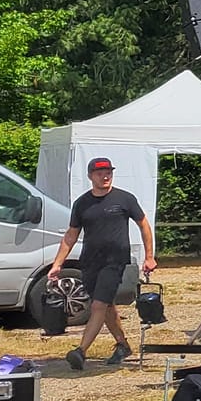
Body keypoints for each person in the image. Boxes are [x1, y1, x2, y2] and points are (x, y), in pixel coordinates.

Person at [47, 157, 157, 370]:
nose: (105, 177)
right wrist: (57, 264)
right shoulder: (82, 203)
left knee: (98, 306)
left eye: (108, 172)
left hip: (114, 261)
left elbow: (143, 224)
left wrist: (149, 256)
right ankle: (123, 345)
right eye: (100, 173)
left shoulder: (124, 199)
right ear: (90, 176)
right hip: (90, 262)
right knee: (106, 306)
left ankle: (80, 351)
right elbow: (71, 235)